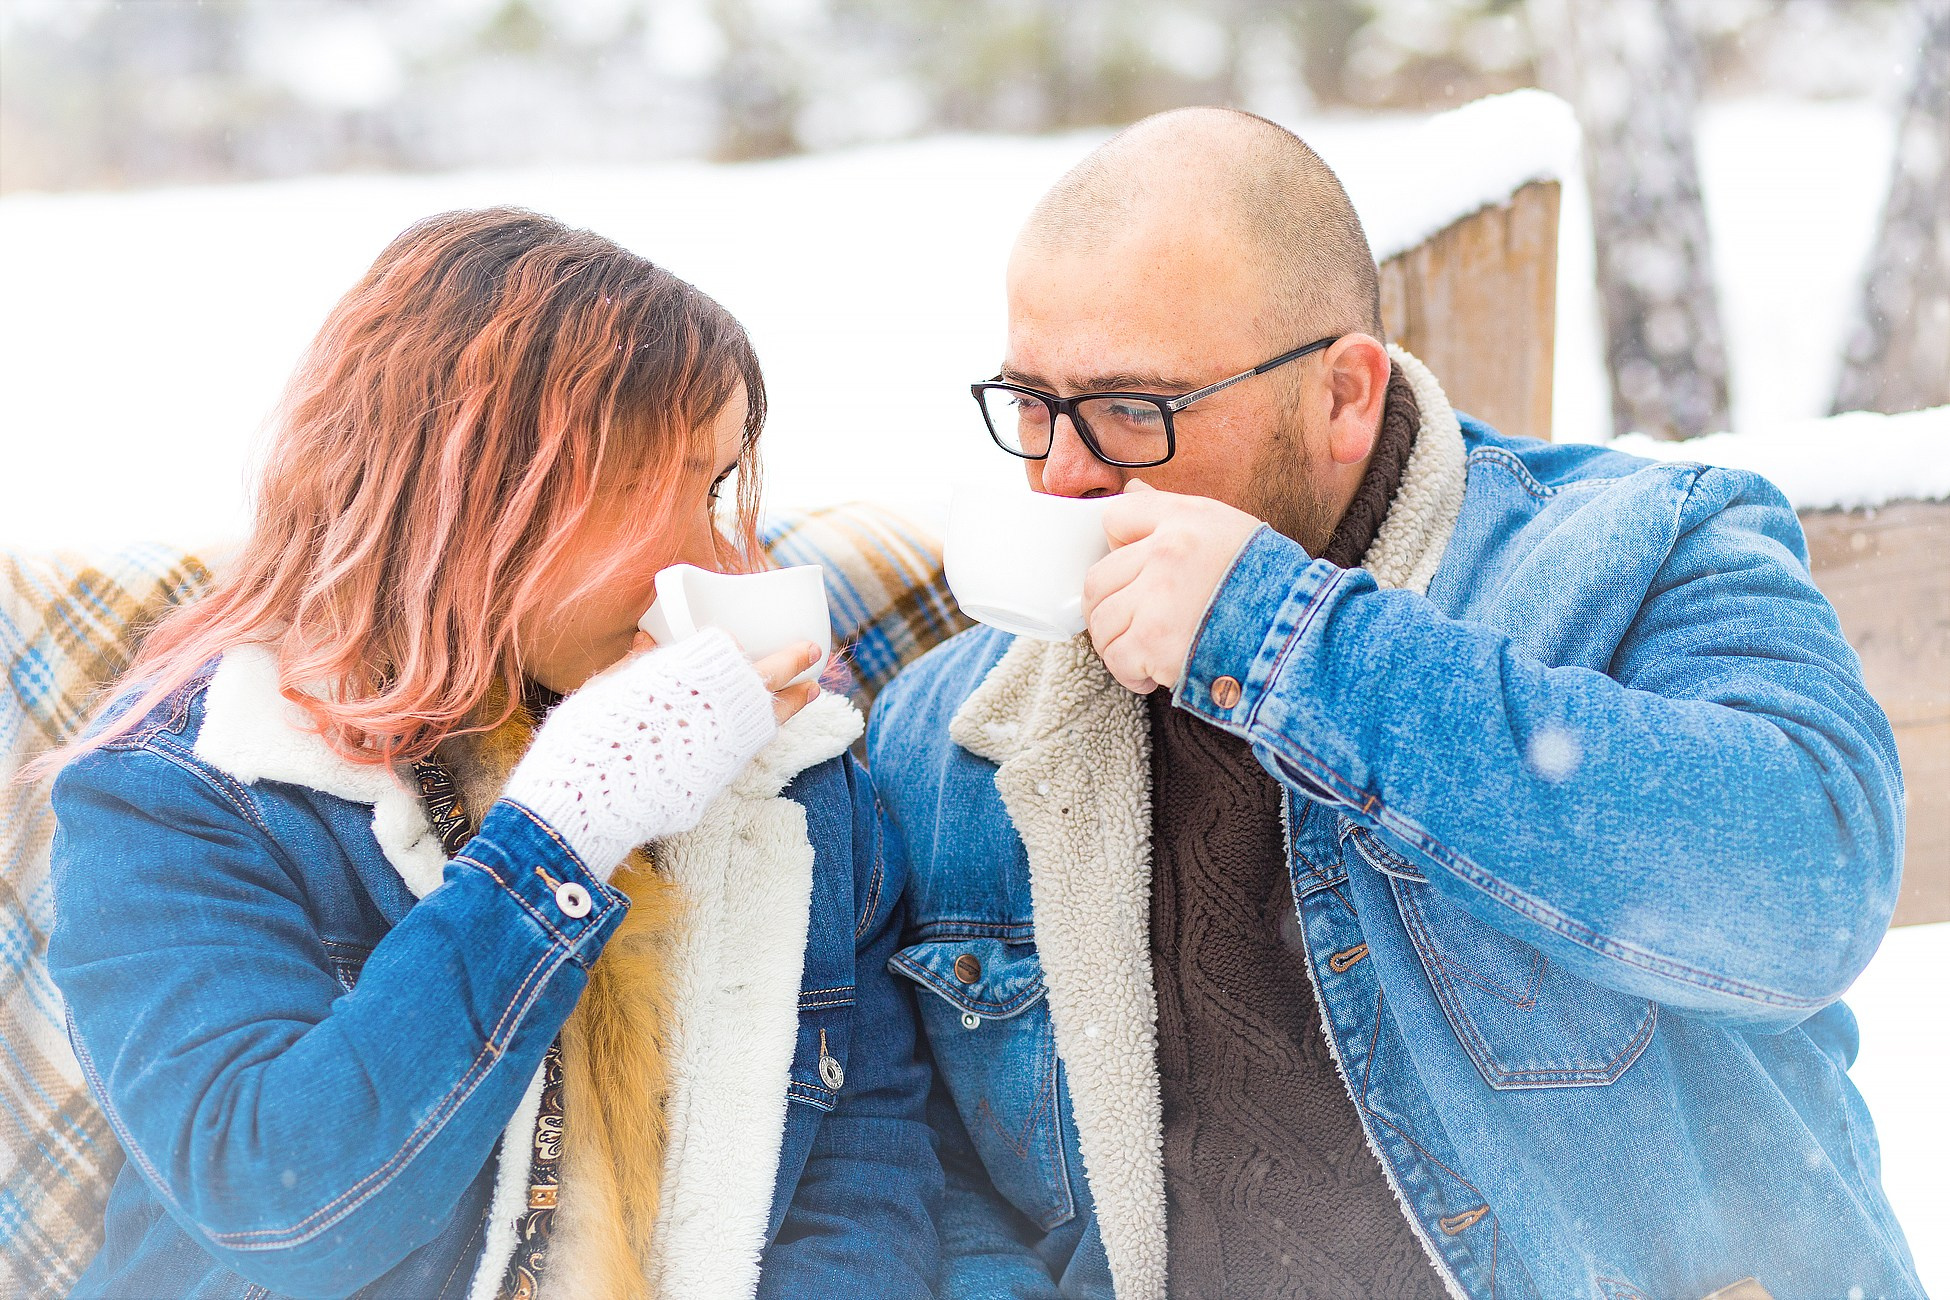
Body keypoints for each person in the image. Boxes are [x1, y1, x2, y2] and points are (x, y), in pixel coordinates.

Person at [867, 108, 1921, 1299]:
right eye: (1032, 404)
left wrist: (1284, 641)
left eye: (1131, 410)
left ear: (1343, 398)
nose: (1062, 472)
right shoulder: (948, 743)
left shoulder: (1640, 553)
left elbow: (1809, 889)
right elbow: (924, 1175)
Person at [44, 208, 939, 1300]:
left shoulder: (784, 775)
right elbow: (280, 1207)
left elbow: (865, 1170)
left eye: (720, 490)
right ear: (480, 498)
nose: (715, 557)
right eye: (662, 489)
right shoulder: (187, 794)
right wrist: (559, 835)